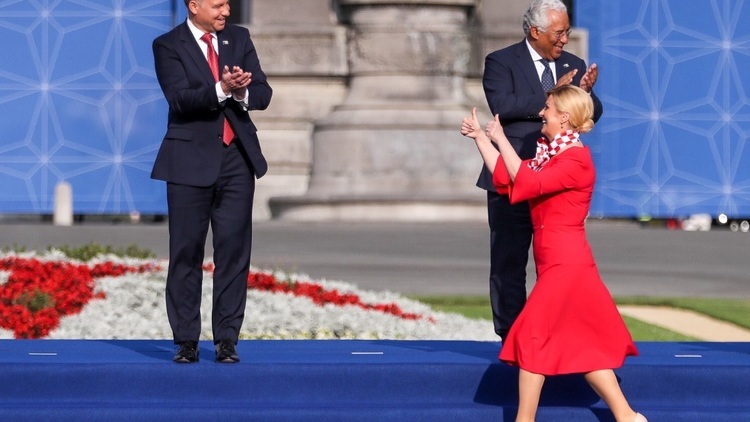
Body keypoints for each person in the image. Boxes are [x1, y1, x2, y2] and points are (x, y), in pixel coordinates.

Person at [461, 85, 645, 422]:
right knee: (583, 347)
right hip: (555, 263)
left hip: (567, 264)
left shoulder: (576, 160)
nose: (541, 113)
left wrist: (501, 138)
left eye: (547, 108)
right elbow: (507, 177)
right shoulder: (552, 156)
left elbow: (526, 182)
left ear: (564, 117)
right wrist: (481, 138)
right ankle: (628, 417)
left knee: (532, 337)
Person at [151, 0, 272, 363]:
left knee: (233, 251)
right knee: (186, 251)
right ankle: (186, 340)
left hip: (236, 159)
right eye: (218, 5)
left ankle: (227, 340)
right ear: (194, 6)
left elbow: (263, 93)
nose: (226, 11)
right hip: (189, 161)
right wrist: (221, 88)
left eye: (228, 4)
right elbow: (179, 99)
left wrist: (242, 92)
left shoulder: (239, 38)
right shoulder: (168, 45)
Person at [479, 0, 603, 341]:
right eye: (558, 33)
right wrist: (553, 95)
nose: (564, 39)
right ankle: (512, 338)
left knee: (555, 262)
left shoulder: (573, 63)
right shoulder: (502, 61)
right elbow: (502, 105)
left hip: (556, 182)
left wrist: (583, 93)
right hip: (514, 176)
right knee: (508, 260)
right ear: (536, 31)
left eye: (567, 31)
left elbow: (592, 112)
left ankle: (555, 335)